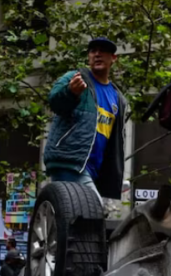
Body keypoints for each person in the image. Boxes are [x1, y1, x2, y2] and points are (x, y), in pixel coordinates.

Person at [44, 37, 127, 201]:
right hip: (70, 161)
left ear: (113, 58)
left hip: (95, 170)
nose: (97, 54)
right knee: (94, 210)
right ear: (88, 56)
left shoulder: (117, 97)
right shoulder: (75, 78)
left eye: (103, 51)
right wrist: (70, 92)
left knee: (77, 220)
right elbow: (54, 102)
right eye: (93, 51)